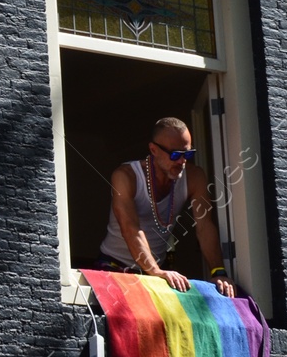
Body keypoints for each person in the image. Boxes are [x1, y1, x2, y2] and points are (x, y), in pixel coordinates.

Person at [96, 117, 236, 297]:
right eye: (175, 155)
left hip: (154, 270)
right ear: (153, 150)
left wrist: (218, 272)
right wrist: (156, 271)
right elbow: (130, 228)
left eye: (187, 154)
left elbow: (204, 227)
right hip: (113, 265)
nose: (181, 162)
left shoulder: (194, 177)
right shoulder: (126, 176)